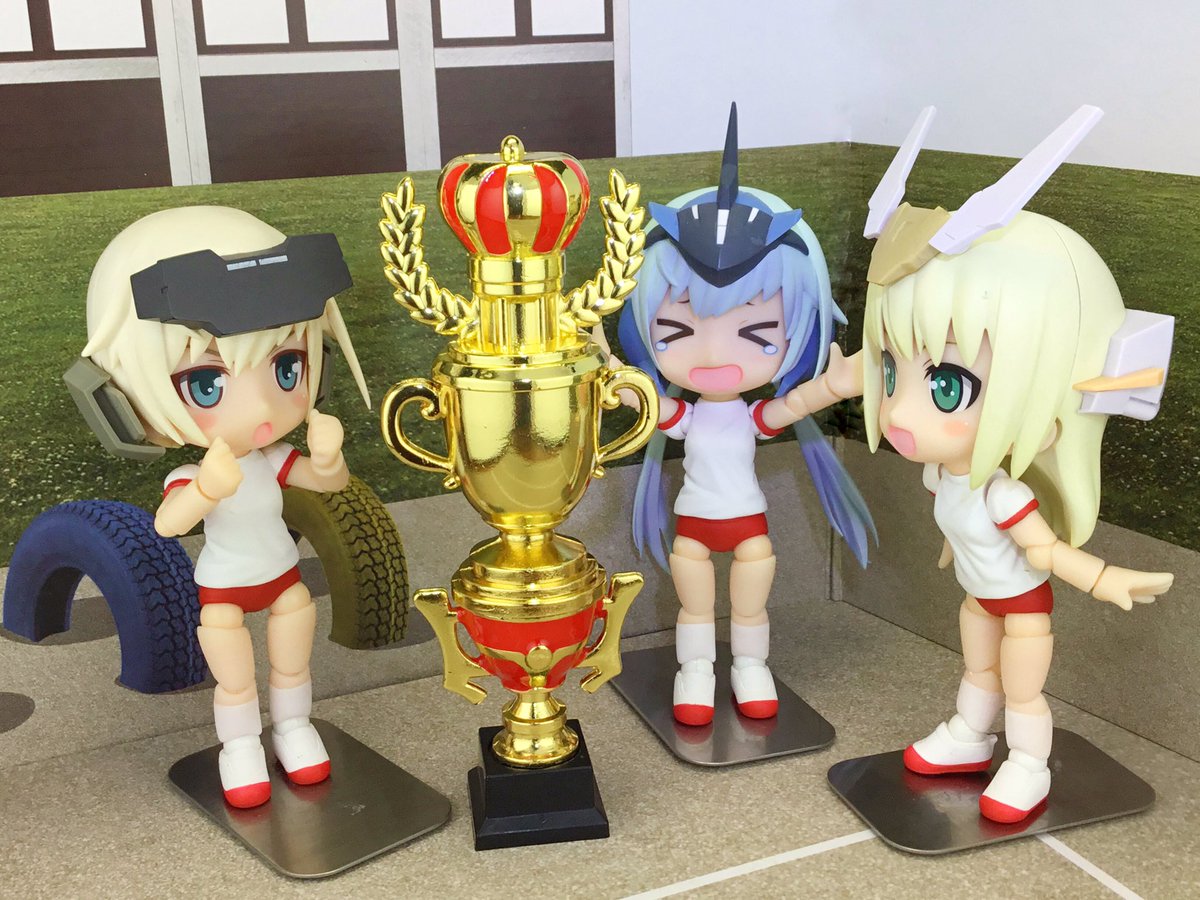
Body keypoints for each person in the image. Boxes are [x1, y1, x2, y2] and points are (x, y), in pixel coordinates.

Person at [81, 206, 370, 807]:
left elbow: (327, 482)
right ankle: (239, 746)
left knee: (292, 666)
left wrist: (328, 457)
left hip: (283, 580)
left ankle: (293, 727)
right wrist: (207, 489)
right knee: (235, 681)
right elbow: (169, 523)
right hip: (223, 591)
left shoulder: (272, 459)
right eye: (207, 384)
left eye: (287, 367)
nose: (260, 408)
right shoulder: (192, 473)